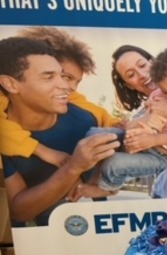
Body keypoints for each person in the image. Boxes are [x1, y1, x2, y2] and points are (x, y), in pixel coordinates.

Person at [0, 37, 120, 226]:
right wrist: (73, 167)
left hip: (94, 235)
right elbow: (19, 211)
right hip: (35, 244)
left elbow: (109, 173)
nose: (66, 86)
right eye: (48, 77)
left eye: (63, 76)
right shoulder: (6, 135)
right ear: (11, 84)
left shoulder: (85, 120)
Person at [87, 47, 167, 195]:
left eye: (142, 65)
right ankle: (89, 176)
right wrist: (140, 128)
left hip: (161, 156)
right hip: (144, 141)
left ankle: (106, 189)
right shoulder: (160, 93)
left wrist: (153, 139)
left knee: (114, 163)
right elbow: (143, 116)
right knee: (95, 135)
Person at [0, 27, 121, 169]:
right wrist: (42, 151)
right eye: (67, 77)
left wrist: (115, 124)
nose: (71, 87)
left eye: (76, 82)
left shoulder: (72, 104)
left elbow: (91, 109)